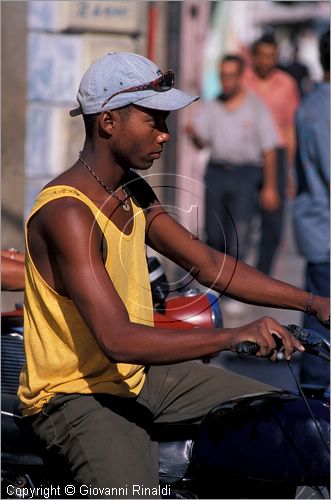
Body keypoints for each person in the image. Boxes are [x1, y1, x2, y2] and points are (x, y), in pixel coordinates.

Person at [18, 52, 329, 499]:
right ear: (108, 122)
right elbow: (118, 338)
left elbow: (209, 264)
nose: (165, 134)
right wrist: (231, 336)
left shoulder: (132, 191)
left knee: (286, 422)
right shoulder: (68, 212)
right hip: (74, 394)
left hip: (137, 376)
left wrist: (311, 302)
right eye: (154, 120)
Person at [186, 54, 280, 265]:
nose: (226, 81)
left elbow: (270, 150)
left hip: (245, 174)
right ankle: (214, 281)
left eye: (231, 76)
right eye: (223, 76)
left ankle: (234, 286)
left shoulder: (256, 106)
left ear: (240, 77)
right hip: (217, 172)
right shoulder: (212, 105)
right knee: (214, 231)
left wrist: (270, 188)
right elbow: (202, 144)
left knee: (239, 232)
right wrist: (194, 134)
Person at [243, 34, 301, 276]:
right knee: (242, 218)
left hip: (276, 154)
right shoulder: (244, 80)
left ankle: (262, 275)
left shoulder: (287, 84)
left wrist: (288, 170)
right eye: (263, 56)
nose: (267, 61)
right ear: (254, 56)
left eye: (272, 56)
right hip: (247, 153)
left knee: (273, 223)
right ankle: (238, 273)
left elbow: (290, 128)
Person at [292, 30, 330, 389]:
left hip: (319, 227)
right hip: (325, 231)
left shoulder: (314, 104)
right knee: (323, 313)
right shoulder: (323, 109)